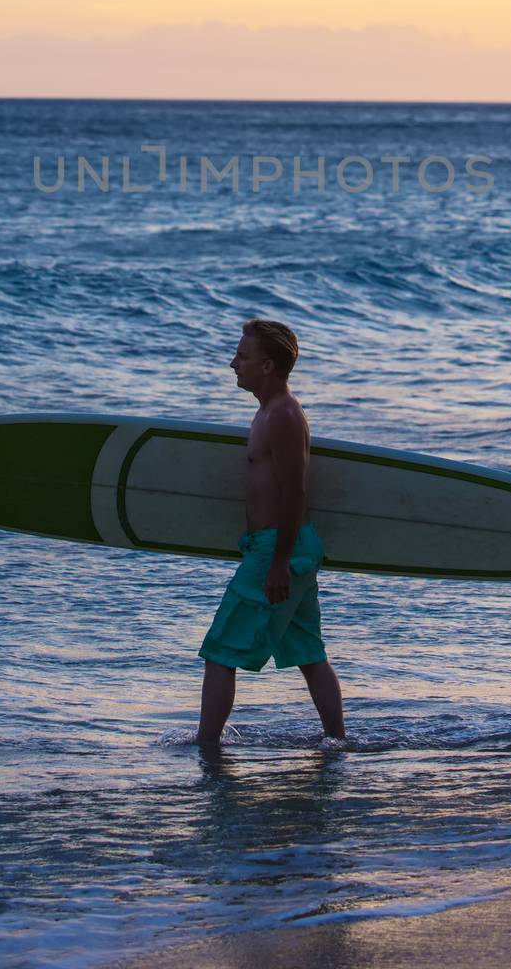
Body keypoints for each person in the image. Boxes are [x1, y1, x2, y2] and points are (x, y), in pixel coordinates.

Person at [196, 318, 345, 744]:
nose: (233, 363)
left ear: (266, 366)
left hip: (280, 551)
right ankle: (338, 743)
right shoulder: (266, 411)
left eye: (242, 356)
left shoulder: (283, 415)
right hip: (280, 547)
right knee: (309, 653)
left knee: (219, 652)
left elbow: (296, 491)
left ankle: (208, 748)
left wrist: (277, 562)